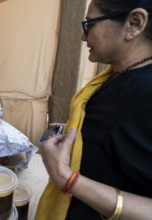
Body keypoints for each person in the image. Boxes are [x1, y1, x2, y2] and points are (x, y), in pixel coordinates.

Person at [37, 1, 152, 219]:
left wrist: (67, 179)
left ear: (134, 23)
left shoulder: (145, 92)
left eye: (89, 24)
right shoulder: (116, 76)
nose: (82, 36)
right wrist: (78, 131)